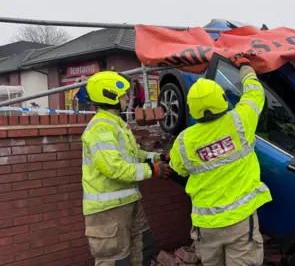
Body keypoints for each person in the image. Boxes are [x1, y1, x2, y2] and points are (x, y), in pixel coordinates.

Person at [168, 54, 272, 266]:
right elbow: (254, 91)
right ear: (222, 99)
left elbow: (177, 168)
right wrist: (244, 66)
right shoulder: (240, 121)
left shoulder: (183, 142)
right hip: (240, 222)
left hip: (206, 226)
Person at [81, 71, 172, 266]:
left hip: (127, 202)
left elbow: (134, 155)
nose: (127, 99)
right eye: (122, 95)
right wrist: (152, 170)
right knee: (115, 260)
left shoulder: (117, 124)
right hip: (108, 211)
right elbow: (115, 168)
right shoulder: (100, 129)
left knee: (141, 250)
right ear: (109, 96)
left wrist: (159, 157)